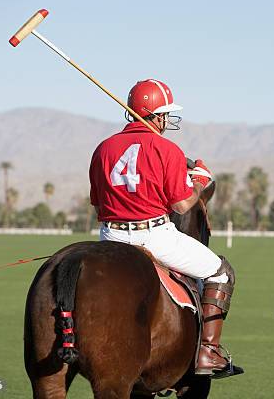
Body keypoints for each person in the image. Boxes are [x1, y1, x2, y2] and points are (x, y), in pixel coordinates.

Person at [89, 79, 237, 376]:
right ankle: (208, 353)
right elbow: (182, 206)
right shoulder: (166, 148)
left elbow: (97, 205)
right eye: (165, 114)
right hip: (153, 235)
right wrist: (197, 180)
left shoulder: (103, 149)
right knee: (220, 271)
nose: (167, 120)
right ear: (155, 115)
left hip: (109, 238)